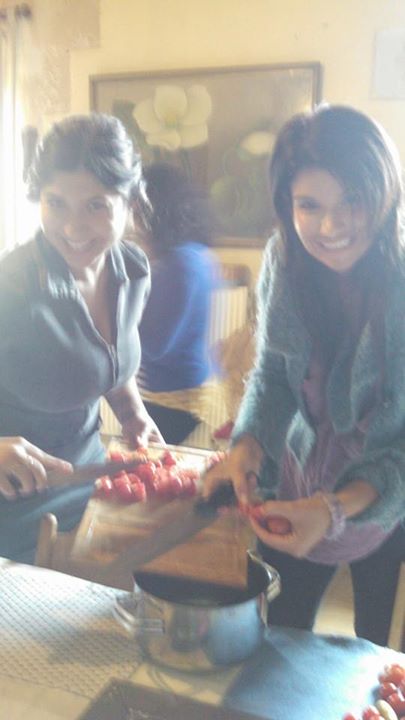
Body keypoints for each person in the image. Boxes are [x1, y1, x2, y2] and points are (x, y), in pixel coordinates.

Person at [204, 104, 405, 646]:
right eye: (309, 205)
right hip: (295, 485)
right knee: (280, 637)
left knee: (373, 652)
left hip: (383, 502)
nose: (330, 227)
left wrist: (335, 509)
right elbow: (272, 374)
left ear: (385, 195)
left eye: (352, 201)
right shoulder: (283, 260)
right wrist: (247, 446)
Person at [0, 113, 163, 562]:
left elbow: (106, 360)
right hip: (14, 502)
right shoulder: (11, 286)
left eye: (95, 206)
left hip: (90, 477)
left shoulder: (132, 270)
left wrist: (132, 413)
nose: (72, 229)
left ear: (129, 203)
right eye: (56, 203)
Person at [134, 162, 218, 445]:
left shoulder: (180, 263)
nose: (132, 219)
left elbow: (155, 345)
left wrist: (109, 313)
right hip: (178, 390)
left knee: (144, 460)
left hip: (172, 399)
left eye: (136, 209)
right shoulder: (192, 254)